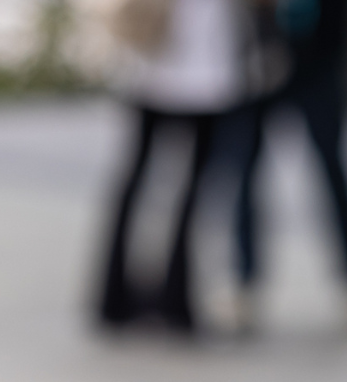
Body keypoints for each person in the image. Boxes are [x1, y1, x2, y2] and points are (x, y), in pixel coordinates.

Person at [95, 0, 252, 335]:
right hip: (167, 55)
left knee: (175, 185)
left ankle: (165, 297)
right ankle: (128, 297)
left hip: (187, 61)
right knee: (152, 183)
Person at [231, 0, 347, 332]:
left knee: (333, 174)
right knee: (245, 173)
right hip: (260, 65)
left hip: (318, 66)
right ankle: (244, 283)